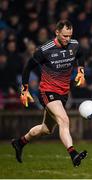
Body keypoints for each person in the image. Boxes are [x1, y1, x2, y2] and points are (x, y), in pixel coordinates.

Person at [11, 20, 88, 167]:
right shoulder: (45, 50)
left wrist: (81, 70)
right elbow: (27, 68)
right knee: (64, 120)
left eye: (70, 35)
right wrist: (24, 90)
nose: (67, 39)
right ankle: (73, 154)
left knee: (46, 129)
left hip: (63, 93)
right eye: (65, 35)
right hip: (47, 91)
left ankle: (20, 142)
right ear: (57, 32)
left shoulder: (74, 44)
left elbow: (81, 54)